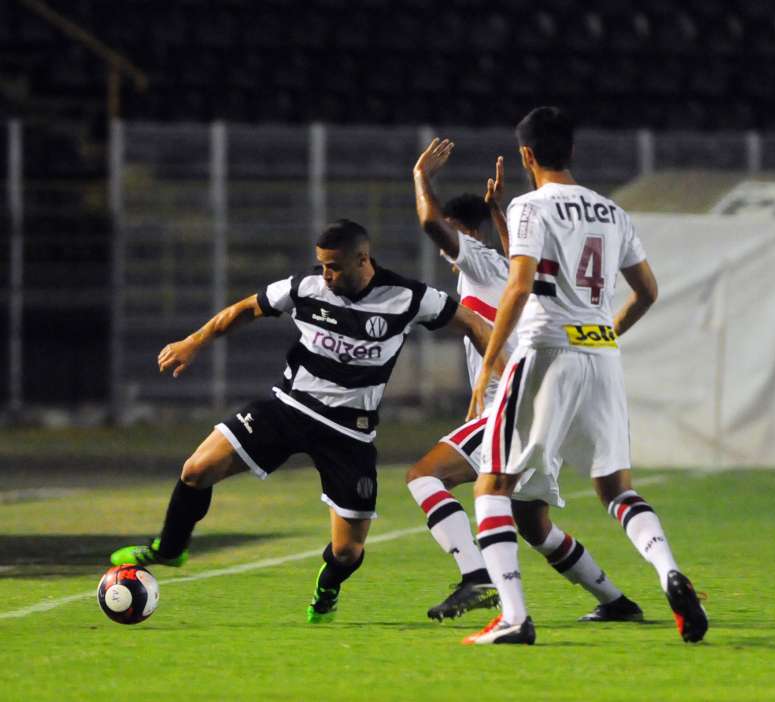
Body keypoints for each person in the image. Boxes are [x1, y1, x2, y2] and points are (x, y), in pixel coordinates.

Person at [110, 219, 495, 623]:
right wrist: (194, 341)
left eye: (334, 267)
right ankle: (171, 548)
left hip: (350, 433)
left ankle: (327, 590)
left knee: (348, 552)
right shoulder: (305, 287)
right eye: (321, 265)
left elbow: (472, 323)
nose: (325, 275)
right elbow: (245, 309)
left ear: (362, 259)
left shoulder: (408, 297)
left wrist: (495, 376)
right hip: (288, 408)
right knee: (196, 469)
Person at [462, 106, 708, 645]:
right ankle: (667, 570)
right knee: (614, 490)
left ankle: (513, 618)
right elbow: (648, 291)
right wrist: (607, 331)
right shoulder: (611, 211)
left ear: (526, 155)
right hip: (600, 355)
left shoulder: (532, 205)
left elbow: (521, 285)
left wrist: (487, 366)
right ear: (571, 151)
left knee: (492, 482)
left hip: (546, 349)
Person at [406, 138, 643, 623]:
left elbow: (430, 222)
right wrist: (498, 215)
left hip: (507, 411)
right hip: (542, 406)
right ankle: (616, 602)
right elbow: (525, 274)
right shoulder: (505, 266)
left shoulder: (473, 259)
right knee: (534, 527)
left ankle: (476, 578)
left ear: (461, 231)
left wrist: (420, 177)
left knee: (424, 476)